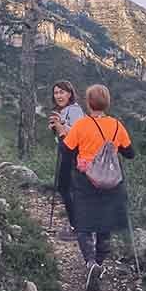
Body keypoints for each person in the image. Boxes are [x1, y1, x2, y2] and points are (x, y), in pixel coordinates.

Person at [61, 84, 135, 291]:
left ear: (88, 102)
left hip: (85, 181)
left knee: (84, 223)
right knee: (105, 224)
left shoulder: (82, 125)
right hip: (112, 182)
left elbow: (66, 150)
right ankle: (100, 263)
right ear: (107, 103)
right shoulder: (117, 125)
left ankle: (91, 262)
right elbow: (130, 153)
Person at [48, 80, 83, 239]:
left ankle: (77, 226)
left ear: (70, 94)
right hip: (67, 152)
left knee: (66, 188)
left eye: (62, 92)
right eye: (56, 93)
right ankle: (77, 224)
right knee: (66, 188)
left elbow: (77, 133)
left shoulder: (74, 110)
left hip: (73, 153)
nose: (58, 96)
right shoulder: (65, 110)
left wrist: (61, 125)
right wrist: (55, 127)